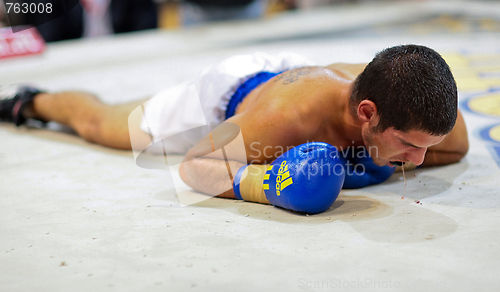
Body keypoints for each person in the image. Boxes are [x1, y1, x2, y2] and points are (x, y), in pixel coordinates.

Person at [0, 45, 469, 213]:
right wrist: (272, 183)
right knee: (102, 125)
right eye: (408, 145)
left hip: (299, 73)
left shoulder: (419, 112)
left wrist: (393, 156)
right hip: (231, 92)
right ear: (368, 113)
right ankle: (29, 99)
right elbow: (193, 167)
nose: (421, 161)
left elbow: (449, 147)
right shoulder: (286, 119)